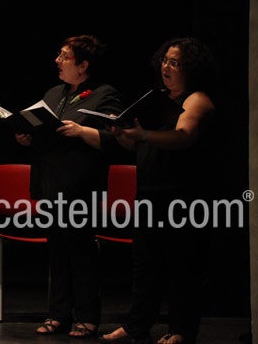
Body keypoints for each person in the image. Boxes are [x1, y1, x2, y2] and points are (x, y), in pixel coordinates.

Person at [100, 37, 217, 344]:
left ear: (190, 68)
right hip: (150, 191)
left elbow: (184, 136)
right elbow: (135, 144)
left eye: (175, 63)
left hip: (183, 195)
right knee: (145, 264)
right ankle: (136, 325)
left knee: (182, 266)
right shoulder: (157, 98)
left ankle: (180, 330)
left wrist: (143, 135)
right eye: (165, 60)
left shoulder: (196, 99)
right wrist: (121, 133)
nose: (166, 67)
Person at [14, 35, 123, 338]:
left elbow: (116, 140)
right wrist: (26, 137)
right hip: (50, 182)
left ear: (83, 65)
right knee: (57, 252)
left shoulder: (104, 95)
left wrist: (82, 130)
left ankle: (87, 316)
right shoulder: (53, 93)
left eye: (64, 56)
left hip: (80, 185)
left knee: (80, 251)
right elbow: (43, 130)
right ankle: (58, 313)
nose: (57, 61)